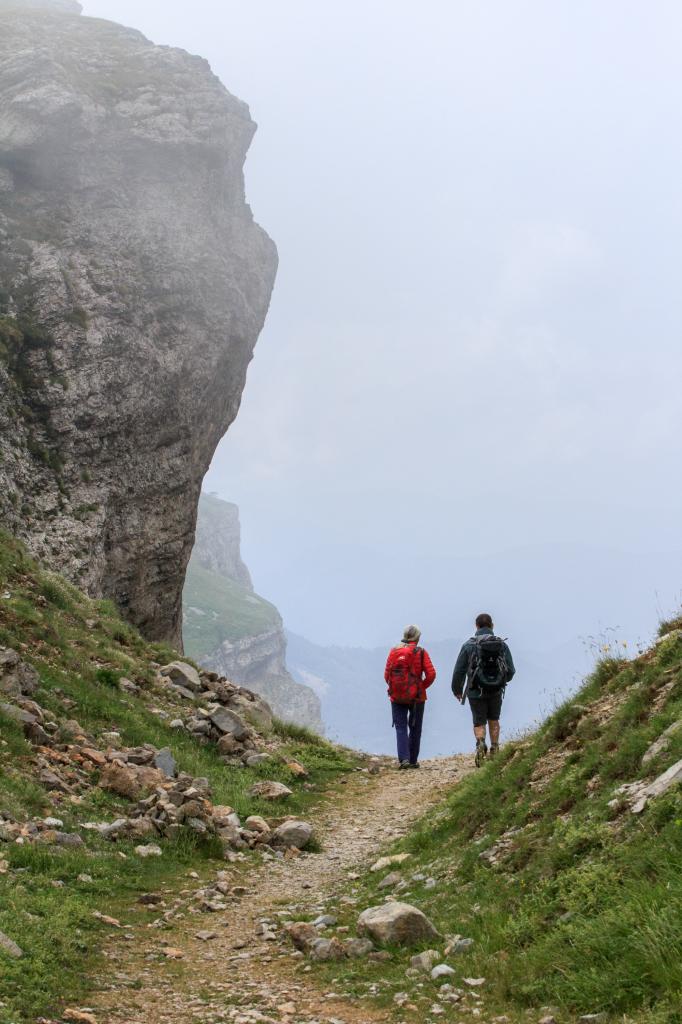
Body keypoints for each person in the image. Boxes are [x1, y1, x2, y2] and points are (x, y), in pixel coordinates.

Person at [451, 613, 515, 766]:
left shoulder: (468, 645)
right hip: (496, 690)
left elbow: (459, 670)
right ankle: (494, 747)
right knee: (494, 719)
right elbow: (511, 670)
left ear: (476, 626)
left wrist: (457, 689)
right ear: (492, 626)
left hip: (475, 690)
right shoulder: (501, 644)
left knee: (479, 721)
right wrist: (500, 681)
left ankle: (480, 743)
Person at [384, 625, 436, 769]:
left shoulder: (394, 651)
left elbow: (386, 675)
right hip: (417, 698)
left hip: (396, 696)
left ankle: (404, 760)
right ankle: (413, 760)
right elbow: (431, 674)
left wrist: (396, 687)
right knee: (415, 728)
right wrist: (420, 687)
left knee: (400, 727)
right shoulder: (421, 652)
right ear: (417, 638)